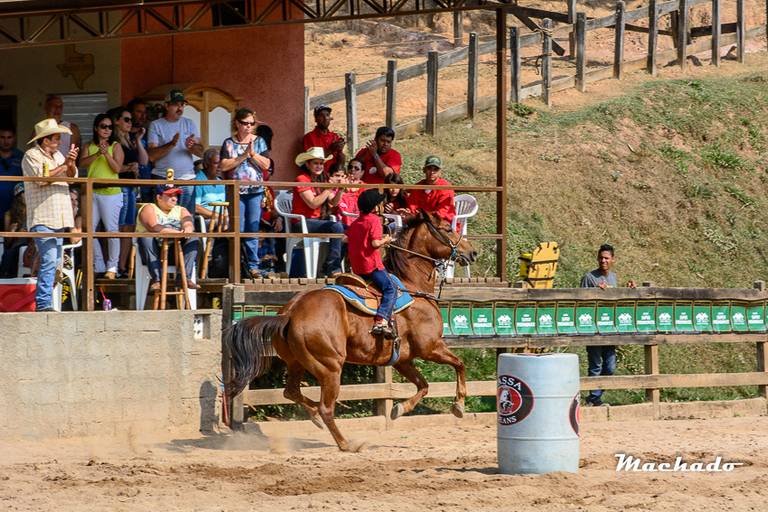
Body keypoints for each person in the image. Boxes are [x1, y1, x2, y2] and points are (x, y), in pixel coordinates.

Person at [22, 118, 79, 311]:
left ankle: (47, 302)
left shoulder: (59, 156)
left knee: (55, 262)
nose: (59, 141)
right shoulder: (31, 155)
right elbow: (41, 178)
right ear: (45, 140)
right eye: (56, 138)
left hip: (59, 217)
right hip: (43, 216)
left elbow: (72, 178)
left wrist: (71, 163)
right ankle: (44, 304)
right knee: (49, 260)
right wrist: (64, 166)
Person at [581, 244, 636, 406]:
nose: (603, 261)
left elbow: (615, 301)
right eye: (600, 258)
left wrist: (629, 290)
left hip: (609, 329)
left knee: (610, 367)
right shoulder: (589, 277)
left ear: (613, 259)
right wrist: (596, 293)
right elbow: (581, 302)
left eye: (606, 258)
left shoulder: (613, 277)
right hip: (593, 328)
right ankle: (594, 398)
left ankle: (594, 396)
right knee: (596, 365)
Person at [220, 108, 271, 279]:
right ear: (237, 123)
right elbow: (223, 166)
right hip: (236, 191)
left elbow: (266, 165)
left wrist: (253, 154)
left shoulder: (259, 141)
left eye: (251, 123)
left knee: (252, 227)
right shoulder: (228, 143)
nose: (248, 126)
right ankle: (238, 264)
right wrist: (242, 157)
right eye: (245, 123)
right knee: (238, 228)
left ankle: (253, 266)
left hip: (255, 190)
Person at [79, 114, 124, 279]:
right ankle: (98, 264)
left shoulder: (116, 146)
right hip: (92, 192)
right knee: (89, 230)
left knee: (111, 231)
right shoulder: (88, 145)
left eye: (110, 127)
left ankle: (112, 267)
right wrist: (98, 153)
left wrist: (106, 154)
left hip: (111, 193)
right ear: (96, 128)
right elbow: (81, 164)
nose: (107, 130)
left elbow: (117, 169)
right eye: (103, 126)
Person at [346, 189, 395, 337]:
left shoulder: (356, 222)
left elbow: (345, 238)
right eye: (380, 203)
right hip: (372, 266)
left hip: (357, 268)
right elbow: (375, 243)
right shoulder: (374, 220)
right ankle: (381, 321)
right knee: (391, 289)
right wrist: (386, 240)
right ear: (375, 207)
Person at [147, 89, 203, 214]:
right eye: (176, 104)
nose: (180, 108)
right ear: (166, 106)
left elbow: (201, 153)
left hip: (188, 179)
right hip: (163, 178)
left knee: (187, 218)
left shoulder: (189, 123)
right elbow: (152, 156)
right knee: (164, 218)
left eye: (182, 104)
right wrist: (171, 144)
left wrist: (192, 147)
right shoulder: (156, 125)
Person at [292, 147, 344, 276]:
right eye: (316, 163)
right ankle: (333, 268)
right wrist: (329, 188)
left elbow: (333, 203)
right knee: (337, 227)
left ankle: (330, 265)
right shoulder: (301, 179)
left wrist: (340, 189)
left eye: (321, 163)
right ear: (307, 164)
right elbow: (313, 203)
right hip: (302, 222)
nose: (319, 166)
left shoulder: (322, 180)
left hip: (318, 221)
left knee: (352, 230)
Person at [136, 184, 198, 290]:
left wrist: (188, 229)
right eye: (170, 195)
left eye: (176, 195)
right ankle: (157, 279)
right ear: (159, 197)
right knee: (146, 237)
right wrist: (178, 233)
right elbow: (154, 227)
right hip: (154, 254)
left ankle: (184, 278)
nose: (175, 199)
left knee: (193, 238)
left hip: (175, 253)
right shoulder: (149, 208)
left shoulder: (181, 209)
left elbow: (188, 223)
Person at [112, 106, 148, 276]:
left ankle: (122, 266)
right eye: (126, 119)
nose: (130, 123)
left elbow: (144, 161)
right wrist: (129, 167)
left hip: (132, 187)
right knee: (120, 226)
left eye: (131, 120)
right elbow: (113, 167)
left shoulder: (129, 140)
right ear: (117, 121)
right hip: (121, 186)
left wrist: (139, 140)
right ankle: (115, 264)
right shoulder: (114, 141)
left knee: (129, 226)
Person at [405, 155, 455, 224]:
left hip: (441, 222)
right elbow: (412, 205)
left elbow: (442, 212)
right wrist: (411, 213)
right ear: (424, 170)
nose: (432, 172)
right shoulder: (418, 186)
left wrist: (423, 216)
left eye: (435, 169)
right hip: (419, 220)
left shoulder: (446, 188)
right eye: (429, 168)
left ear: (440, 172)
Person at [303, 105, 345, 173]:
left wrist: (340, 150)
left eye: (327, 115)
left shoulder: (334, 136)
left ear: (330, 118)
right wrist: (331, 149)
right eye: (321, 115)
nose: (325, 118)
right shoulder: (309, 137)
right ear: (315, 119)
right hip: (317, 175)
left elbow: (341, 163)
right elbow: (313, 160)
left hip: (332, 176)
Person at [43, 95, 81, 163]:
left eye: (60, 106)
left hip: (65, 167)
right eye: (54, 106)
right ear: (46, 107)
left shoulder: (72, 128)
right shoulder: (39, 129)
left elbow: (75, 155)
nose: (57, 109)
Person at [195, 148, 226, 225]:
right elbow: (196, 207)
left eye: (221, 163)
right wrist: (219, 216)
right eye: (216, 163)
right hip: (206, 220)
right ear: (206, 165)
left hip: (223, 219)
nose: (220, 166)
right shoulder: (197, 180)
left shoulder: (221, 182)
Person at [0, 126, 24, 229]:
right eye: (2, 137)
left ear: (14, 138)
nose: (6, 141)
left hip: (15, 209)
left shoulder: (22, 157)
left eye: (9, 137)